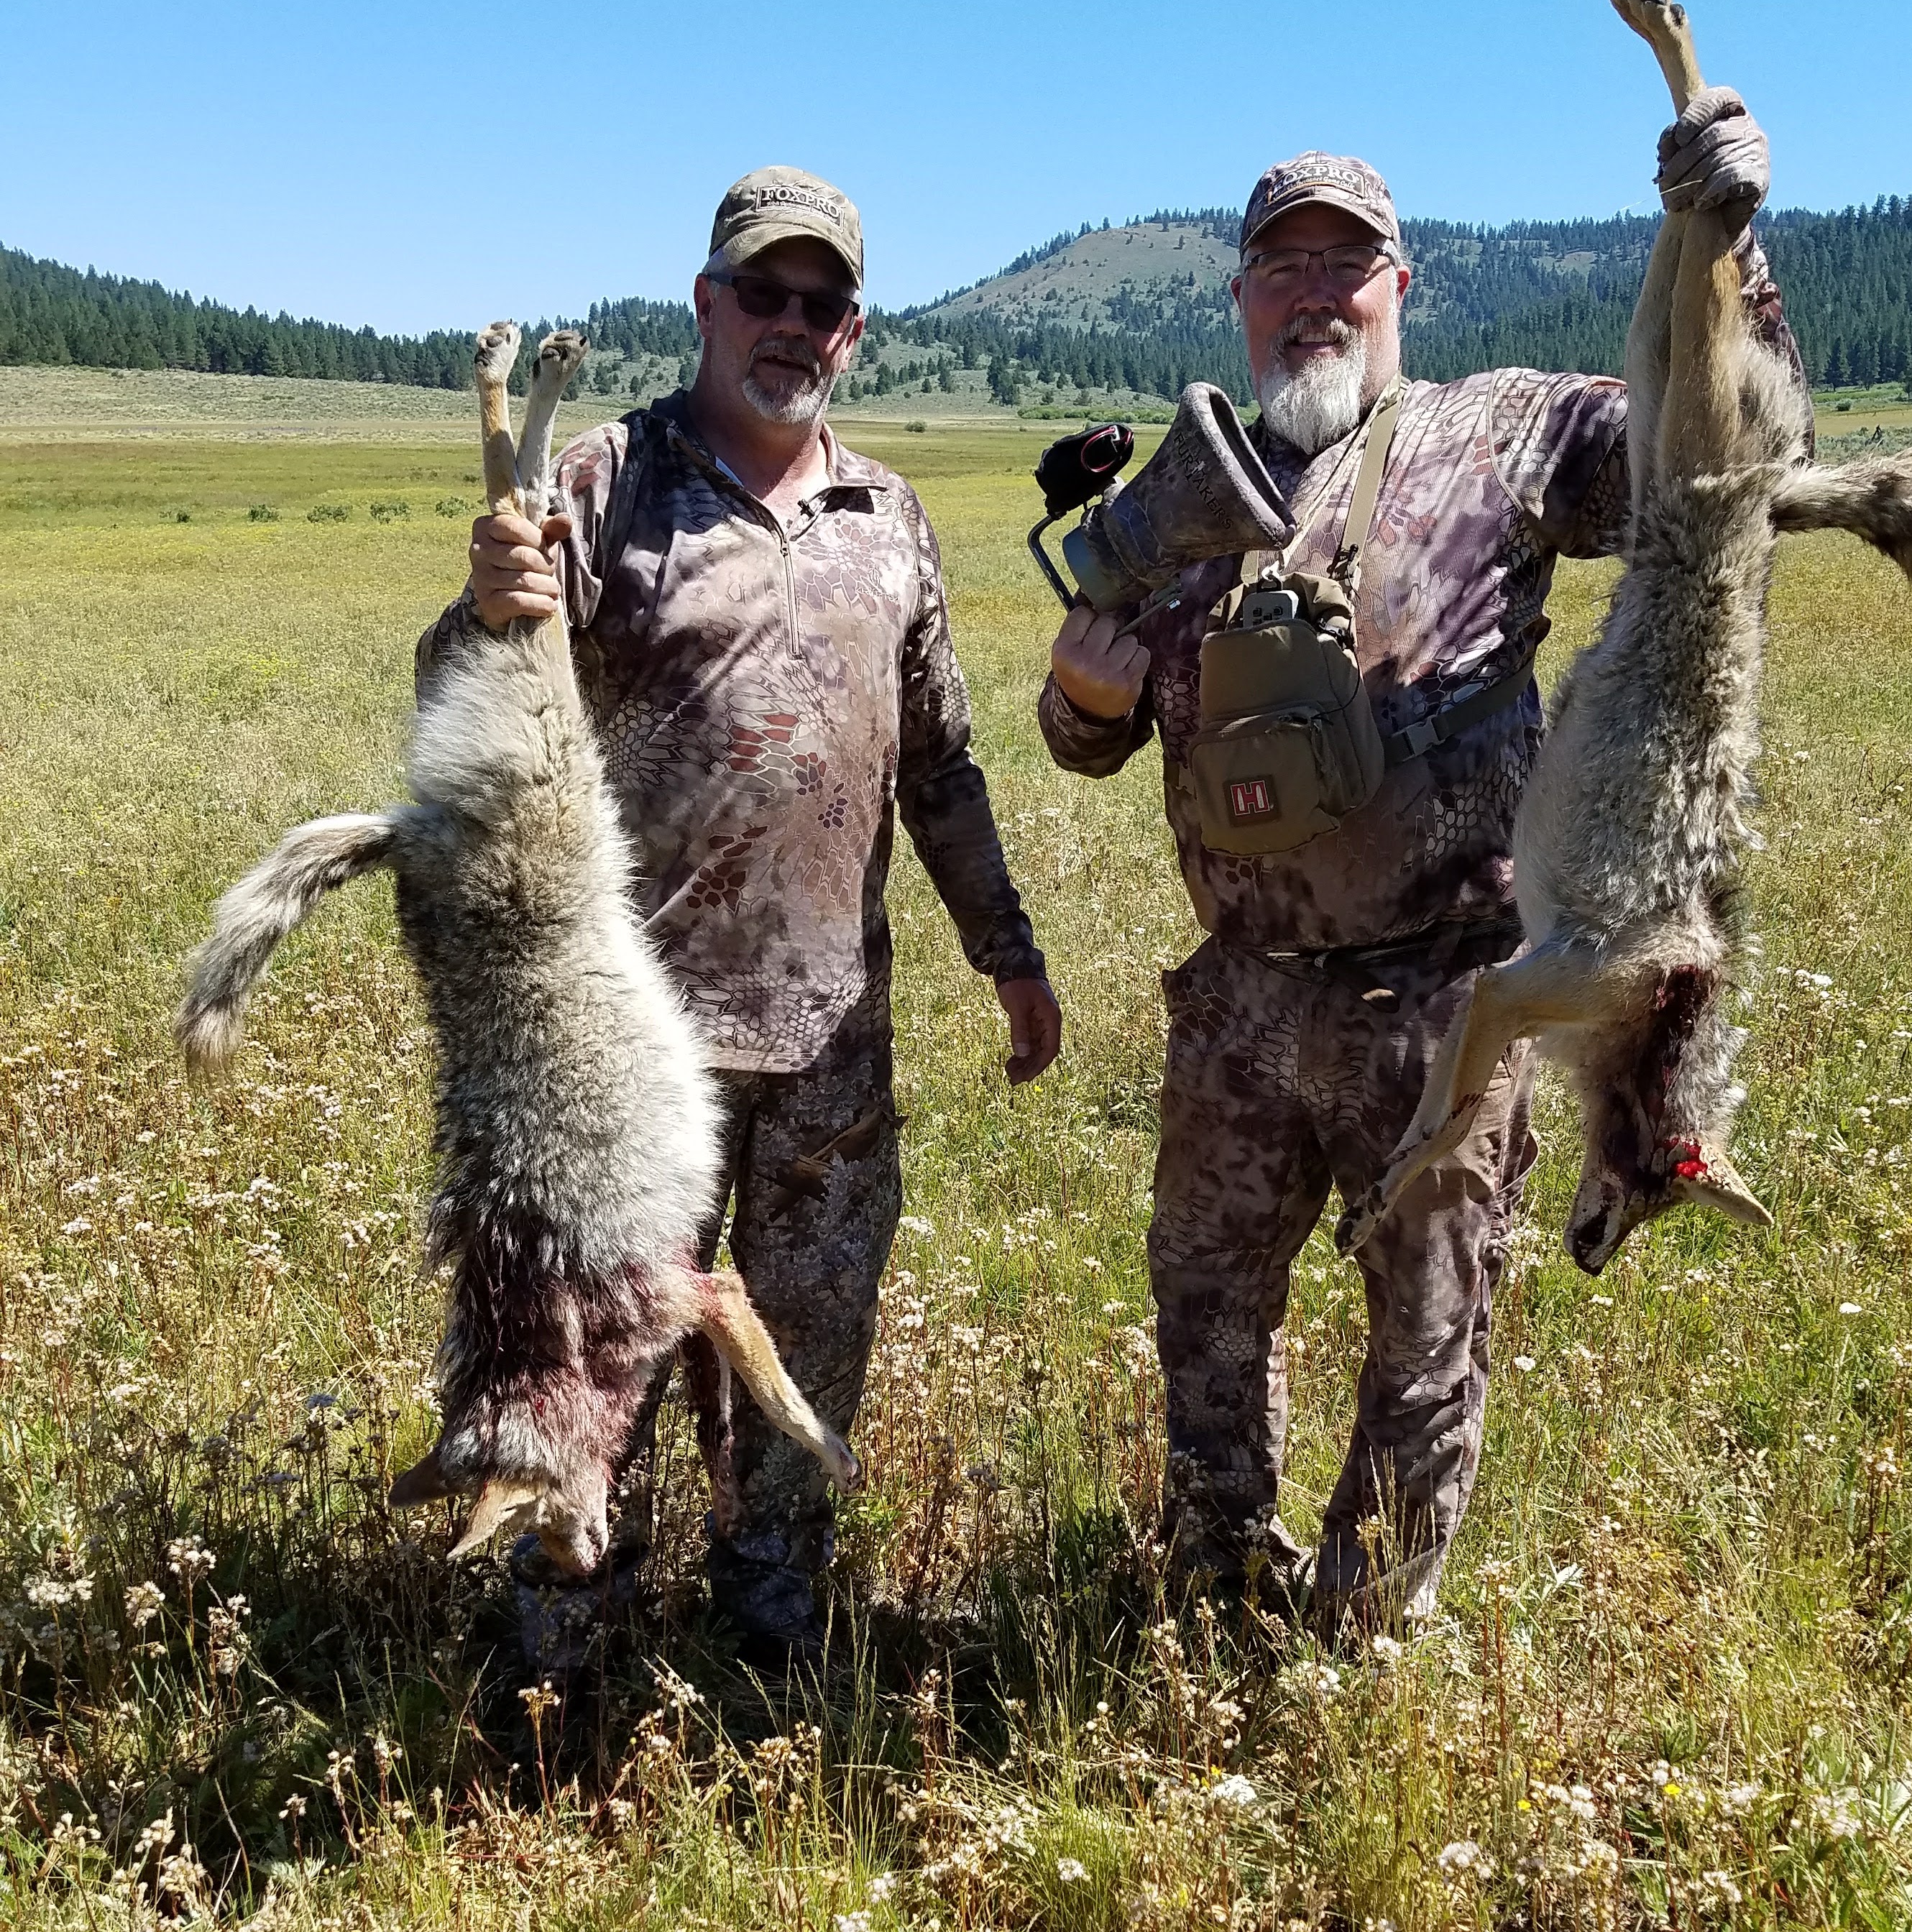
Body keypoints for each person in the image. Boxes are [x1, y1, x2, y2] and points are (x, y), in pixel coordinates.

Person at [1038, 110, 1806, 1622]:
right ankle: (1215, 1575)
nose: (1315, 290)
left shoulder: (1507, 432)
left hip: (1444, 1001)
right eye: (1283, 266)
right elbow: (1078, 740)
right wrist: (1087, 695)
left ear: (1405, 286)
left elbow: (1718, 450)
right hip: (1240, 1002)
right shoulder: (1176, 501)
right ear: (1241, 298)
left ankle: (1367, 1630)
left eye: (1349, 262)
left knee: (1429, 1330)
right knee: (1204, 1308)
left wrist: (1726, 249)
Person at [420, 165, 1062, 1661]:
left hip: (834, 1039)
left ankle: (773, 1633)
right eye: (761, 294)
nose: (789, 323)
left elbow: (944, 766)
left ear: (852, 331)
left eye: (818, 302)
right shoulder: (599, 484)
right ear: (707, 305)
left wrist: (1009, 952)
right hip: (630, 1053)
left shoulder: (890, 517)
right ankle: (564, 1656)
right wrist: (482, 603)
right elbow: (480, 703)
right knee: (599, 1354)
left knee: (814, 1345)